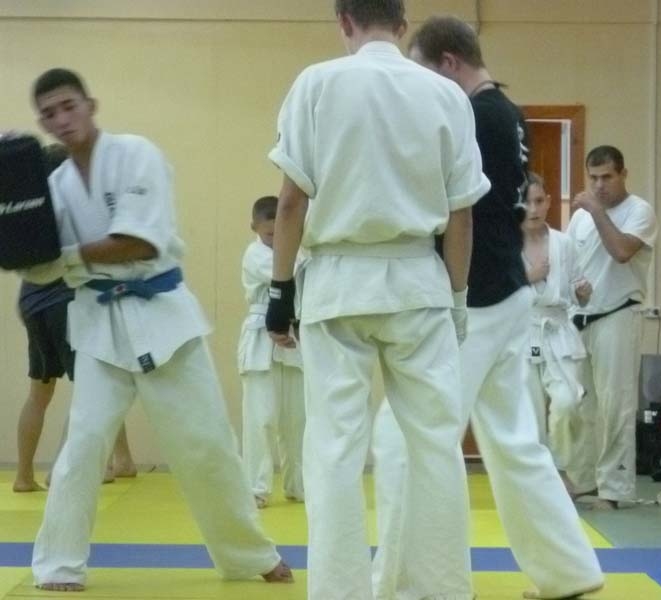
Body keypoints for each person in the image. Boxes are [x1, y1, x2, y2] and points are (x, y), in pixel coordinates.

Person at [22, 67, 291, 591]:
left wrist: (64, 259)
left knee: (206, 446)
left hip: (165, 324)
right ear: (44, 124)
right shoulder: (55, 187)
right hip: (99, 327)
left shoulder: (136, 155)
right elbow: (34, 263)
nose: (62, 119)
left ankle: (249, 555)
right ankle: (58, 563)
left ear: (90, 105)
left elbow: (140, 242)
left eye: (69, 105)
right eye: (50, 113)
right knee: (82, 447)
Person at [372, 16, 605, 600]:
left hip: (475, 298)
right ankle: (569, 571)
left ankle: (414, 585)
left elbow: (457, 210)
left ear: (449, 63)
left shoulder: (475, 115)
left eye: (425, 71)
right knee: (513, 441)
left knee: (408, 438)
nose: (424, 85)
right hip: (505, 290)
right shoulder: (507, 112)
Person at [265, 1, 488, 598]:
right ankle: (443, 589)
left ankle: (339, 592)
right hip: (420, 282)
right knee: (434, 445)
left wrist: (279, 292)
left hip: (338, 283)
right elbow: (461, 215)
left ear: (344, 22)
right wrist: (458, 300)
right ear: (403, 24)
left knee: (334, 449)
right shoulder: (447, 95)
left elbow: (290, 202)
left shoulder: (316, 84)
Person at [15, 143, 136, 493]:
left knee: (41, 391)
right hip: (64, 304)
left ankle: (24, 476)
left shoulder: (32, 213)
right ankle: (65, 468)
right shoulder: (71, 209)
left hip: (32, 304)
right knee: (93, 383)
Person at [565, 145, 658, 510]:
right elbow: (570, 264)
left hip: (619, 314)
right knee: (579, 405)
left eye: (607, 177)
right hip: (580, 318)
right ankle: (583, 480)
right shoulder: (579, 218)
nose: (600, 185)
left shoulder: (639, 211)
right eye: (594, 178)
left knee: (615, 404)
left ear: (623, 175)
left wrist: (597, 210)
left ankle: (615, 489)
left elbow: (621, 251)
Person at [521, 172, 591, 478]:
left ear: (549, 202)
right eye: (526, 203)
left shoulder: (564, 244)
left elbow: (578, 291)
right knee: (530, 412)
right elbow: (495, 289)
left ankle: (561, 469)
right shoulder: (506, 245)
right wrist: (529, 276)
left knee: (567, 403)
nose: (533, 209)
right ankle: (539, 479)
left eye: (539, 201)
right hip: (522, 332)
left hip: (558, 331)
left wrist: (583, 293)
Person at [238, 195, 304, 508]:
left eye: (281, 233)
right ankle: (255, 488)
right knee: (260, 419)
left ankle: (298, 485)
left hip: (292, 338)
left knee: (297, 421)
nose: (276, 239)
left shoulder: (298, 252)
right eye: (269, 233)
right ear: (254, 227)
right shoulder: (255, 254)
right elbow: (288, 275)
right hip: (259, 341)